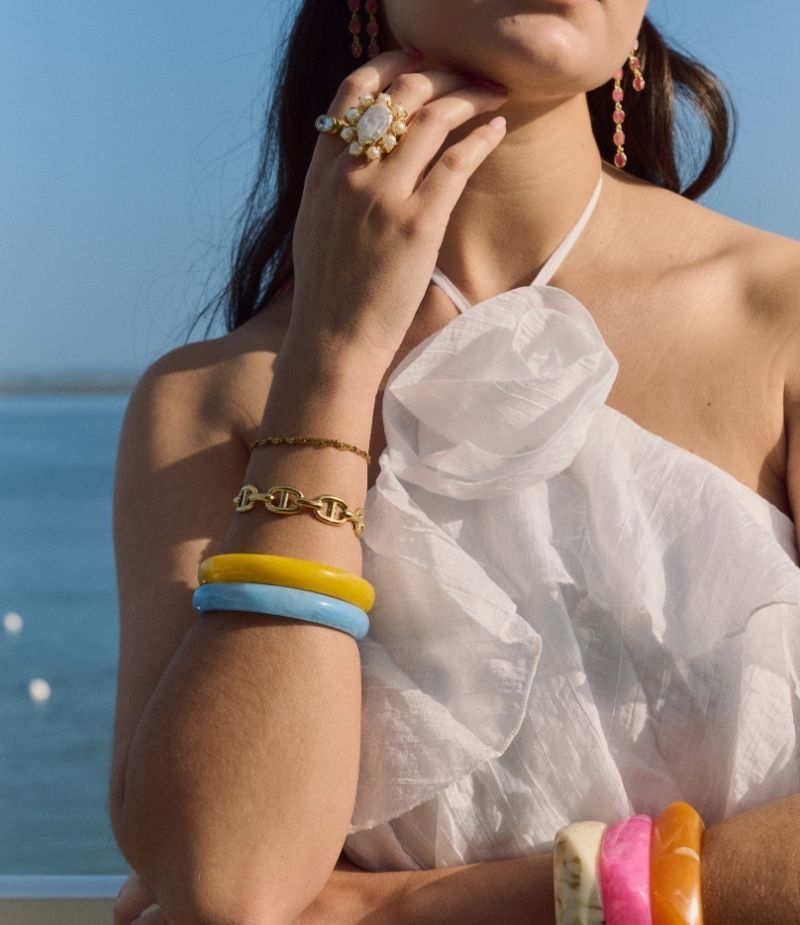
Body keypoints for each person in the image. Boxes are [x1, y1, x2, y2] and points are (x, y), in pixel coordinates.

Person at [109, 1, 800, 923]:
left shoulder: (781, 319)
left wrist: (397, 907)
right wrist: (331, 361)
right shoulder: (210, 401)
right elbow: (230, 877)